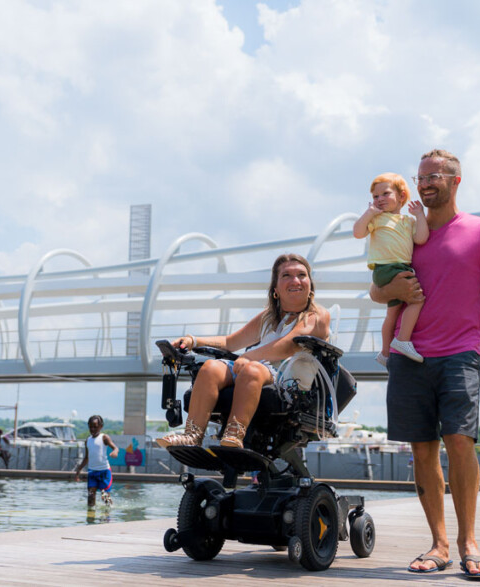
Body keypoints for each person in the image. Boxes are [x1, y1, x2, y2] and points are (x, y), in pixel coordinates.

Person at [372, 149, 480, 578]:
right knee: (422, 448)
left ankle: (468, 540)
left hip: (460, 351)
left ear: (456, 180)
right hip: (408, 352)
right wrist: (384, 291)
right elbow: (380, 289)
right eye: (420, 177)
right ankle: (438, 544)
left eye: (434, 176)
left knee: (459, 441)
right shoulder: (401, 228)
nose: (426, 183)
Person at [154, 253, 332, 449]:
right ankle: (192, 435)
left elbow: (288, 346)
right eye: (286, 275)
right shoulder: (269, 318)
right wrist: (193, 340)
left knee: (251, 370)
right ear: (276, 289)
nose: (295, 280)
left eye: (301, 275)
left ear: (310, 285)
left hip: (287, 382)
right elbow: (230, 342)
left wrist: (247, 357)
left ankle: (234, 435)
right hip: (254, 367)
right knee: (210, 368)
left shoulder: (317, 316)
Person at [353, 172, 429, 366]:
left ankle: (385, 353)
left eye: (385, 194)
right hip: (387, 268)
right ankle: (403, 340)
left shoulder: (408, 221)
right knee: (416, 299)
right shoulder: (377, 219)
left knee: (392, 314)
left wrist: (420, 216)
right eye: (375, 197)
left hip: (399, 267)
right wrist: (369, 213)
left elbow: (421, 238)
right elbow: (358, 232)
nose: (379, 200)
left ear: (401, 196)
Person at [74, 415, 119, 507]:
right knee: (91, 496)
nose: (93, 429)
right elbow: (87, 457)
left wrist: (115, 452)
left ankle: (108, 515)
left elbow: (115, 448)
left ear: (100, 426)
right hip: (92, 472)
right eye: (90, 427)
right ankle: (90, 517)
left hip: (104, 472)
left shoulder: (104, 438)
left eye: (95, 426)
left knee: (105, 497)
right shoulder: (88, 440)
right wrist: (79, 469)